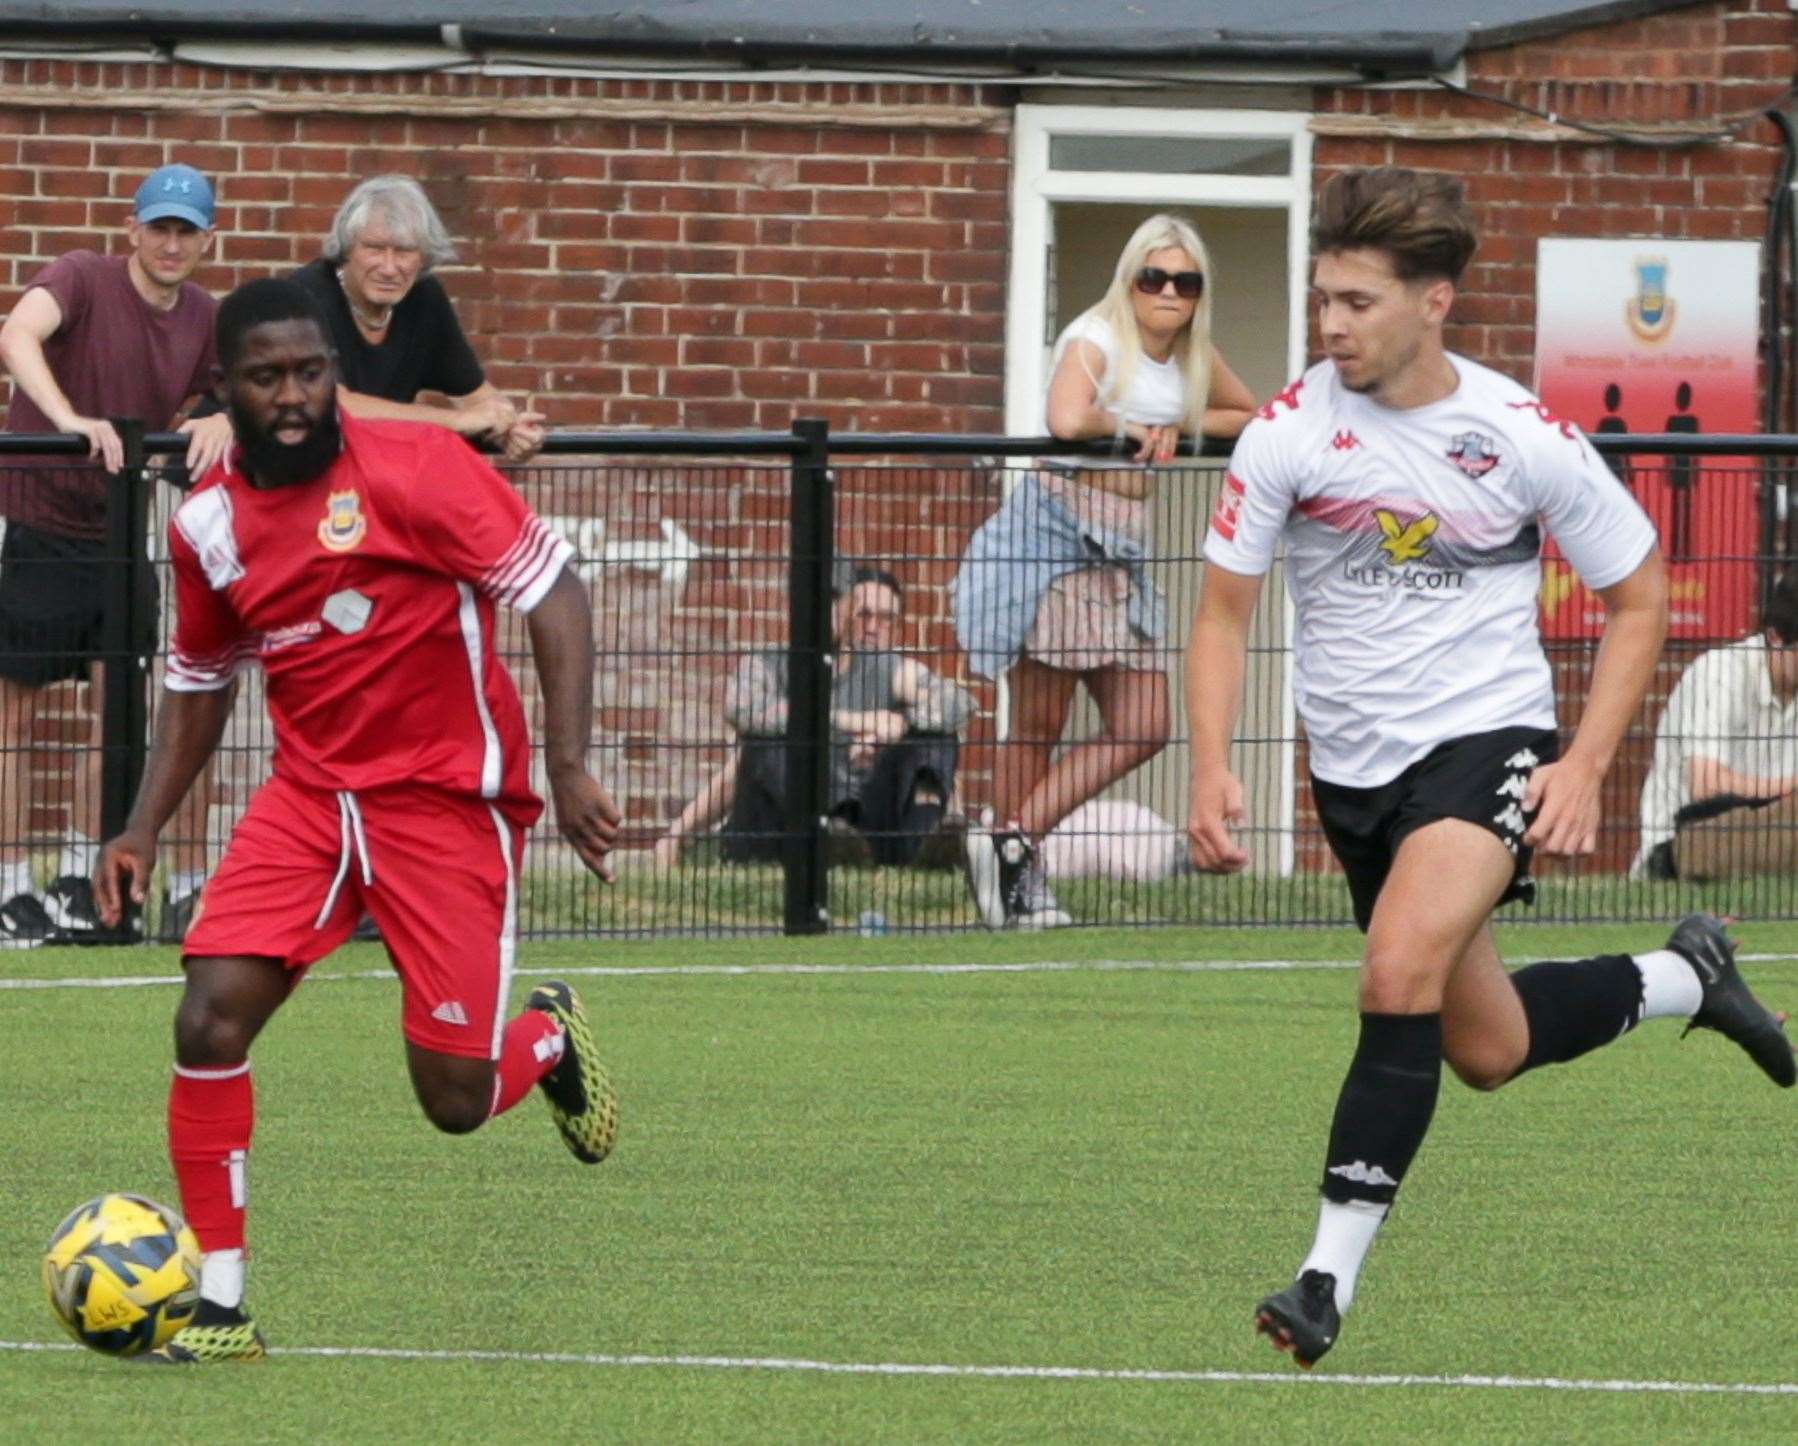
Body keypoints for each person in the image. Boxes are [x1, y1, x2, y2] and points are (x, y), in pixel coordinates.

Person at [1186, 166, 1794, 1370]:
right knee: (1488, 1047)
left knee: (1394, 966)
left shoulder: (1520, 439)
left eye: (1357, 301)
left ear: (1436, 302)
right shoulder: (1286, 434)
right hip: (1353, 777)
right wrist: (1211, 762)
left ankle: (1322, 1280)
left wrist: (1580, 764)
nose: (1330, 325)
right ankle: (1683, 978)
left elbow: (1639, 599)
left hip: (1486, 743)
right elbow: (1218, 614)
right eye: (1323, 300)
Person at [92, 279, 621, 1363]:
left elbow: (555, 593)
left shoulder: (420, 470)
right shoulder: (208, 523)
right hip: (312, 802)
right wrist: (140, 826)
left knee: (455, 1101)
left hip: (446, 805)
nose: (294, 398)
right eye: (266, 378)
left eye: (311, 372)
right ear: (223, 390)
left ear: (334, 369)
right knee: (208, 1019)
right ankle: (222, 1307)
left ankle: (547, 1039)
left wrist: (567, 768)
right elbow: (199, 679)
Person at [954, 213, 1256, 929]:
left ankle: (1009, 846)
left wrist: (1182, 429)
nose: (1169, 293)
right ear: (1129, 280)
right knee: (1038, 722)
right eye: (1154, 277)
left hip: (1119, 550)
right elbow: (1067, 418)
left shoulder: (1191, 355)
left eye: (1186, 281)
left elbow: (1252, 413)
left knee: (1143, 722)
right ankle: (1013, 876)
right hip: (1056, 536)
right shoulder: (1097, 337)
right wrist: (1133, 430)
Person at [0, 163, 234, 945]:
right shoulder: (81, 277)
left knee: (121, 713)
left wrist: (220, 414)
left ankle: (80, 873)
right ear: (133, 229)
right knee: (14, 712)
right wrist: (70, 417)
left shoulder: (204, 315)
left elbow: (247, 382)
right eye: (160, 227)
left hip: (119, 531)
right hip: (32, 516)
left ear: (207, 239)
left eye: (187, 231)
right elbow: (15, 333)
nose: (171, 243)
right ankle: (8, 884)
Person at [682, 567, 973, 867]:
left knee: (936, 738)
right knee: (769, 743)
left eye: (885, 618)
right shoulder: (770, 665)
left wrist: (902, 726)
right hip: (788, 822)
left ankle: (923, 850)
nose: (872, 627)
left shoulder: (892, 672)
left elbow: (959, 704)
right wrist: (854, 723)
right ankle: (822, 847)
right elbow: (740, 721)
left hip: (862, 820)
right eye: (865, 615)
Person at [287, 174, 543, 461]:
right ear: (347, 250)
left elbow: (475, 394)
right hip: (307, 468)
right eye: (374, 249)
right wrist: (456, 421)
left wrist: (509, 427)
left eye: (404, 252)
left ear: (423, 258)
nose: (389, 267)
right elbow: (334, 405)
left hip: (382, 470)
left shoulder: (424, 297)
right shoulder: (305, 295)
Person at [1634, 569, 1798, 881]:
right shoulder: (1720, 672)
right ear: (1776, 638)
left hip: (1773, 832)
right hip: (1686, 843)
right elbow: (1706, 785)